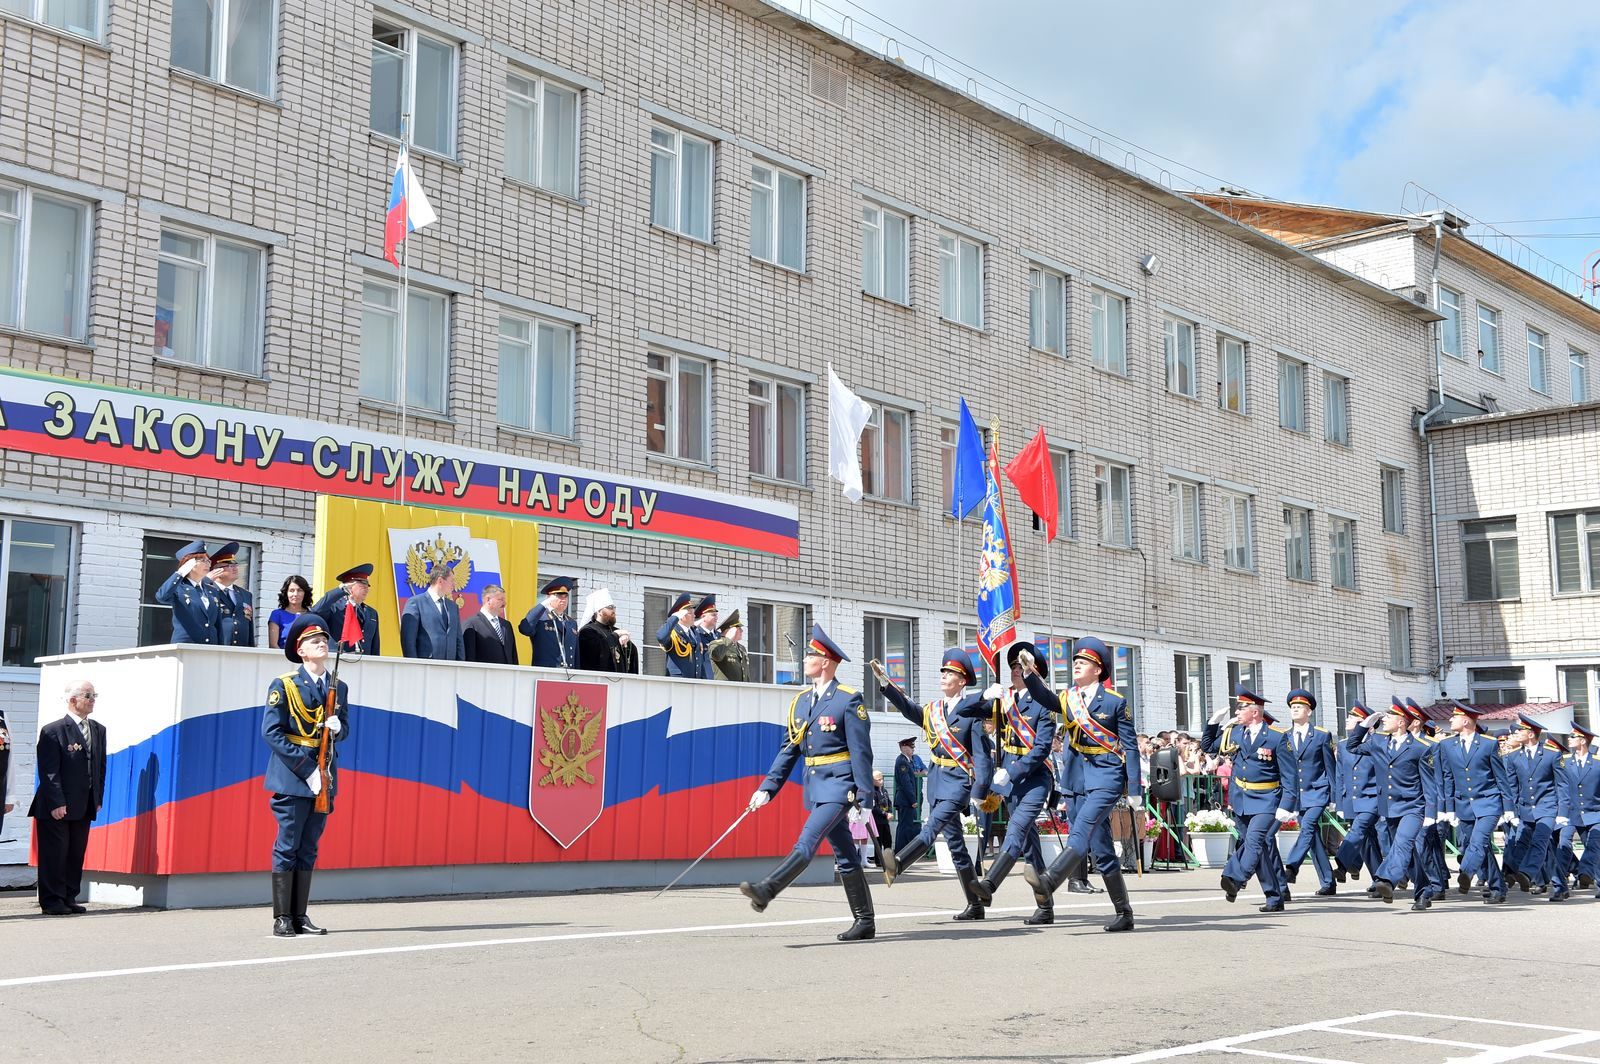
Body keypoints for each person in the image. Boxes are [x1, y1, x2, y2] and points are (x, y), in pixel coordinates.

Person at [739, 624, 878, 942]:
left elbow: (861, 752)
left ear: (826, 661)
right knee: (845, 854)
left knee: (807, 841)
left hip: (840, 787)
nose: (806, 659)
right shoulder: (800, 702)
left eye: (812, 654)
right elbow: (789, 750)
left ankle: (767, 889)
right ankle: (865, 921)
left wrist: (865, 799)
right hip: (816, 788)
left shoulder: (847, 700)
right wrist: (767, 788)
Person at [1023, 637, 1143, 931]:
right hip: (1076, 780)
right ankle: (1124, 913)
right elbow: (1045, 698)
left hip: (1106, 776)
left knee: (1082, 829)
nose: (1076, 664)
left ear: (1098, 669)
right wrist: (1029, 674)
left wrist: (1136, 790)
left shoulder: (1115, 702)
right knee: (1101, 849)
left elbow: (1131, 747)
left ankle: (1050, 880)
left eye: (1084, 661)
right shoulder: (1068, 698)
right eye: (1075, 661)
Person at [874, 648, 991, 917]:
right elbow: (908, 707)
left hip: (958, 782)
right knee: (956, 846)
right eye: (943, 672)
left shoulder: (972, 712)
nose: (943, 676)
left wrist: (980, 789)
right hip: (937, 781)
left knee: (931, 827)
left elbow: (982, 757)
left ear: (962, 681)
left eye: (949, 673)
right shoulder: (933, 710)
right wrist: (885, 683)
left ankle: (899, 863)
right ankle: (975, 904)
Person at [263, 614, 350, 936]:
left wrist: (338, 730)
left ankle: (300, 915)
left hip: (325, 777)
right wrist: (307, 768)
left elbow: (344, 730)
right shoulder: (284, 685)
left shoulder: (337, 686)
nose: (321, 644)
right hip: (293, 776)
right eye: (314, 641)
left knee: (309, 847)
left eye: (324, 640)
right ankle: (282, 917)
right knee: (288, 845)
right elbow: (272, 733)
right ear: (300, 650)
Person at [970, 641, 1059, 925]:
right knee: (1030, 844)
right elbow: (964, 713)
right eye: (1013, 666)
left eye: (1022, 666)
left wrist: (1013, 770)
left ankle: (989, 884)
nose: (1016, 670)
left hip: (1034, 779)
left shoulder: (1045, 703)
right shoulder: (1004, 699)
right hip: (1009, 781)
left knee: (1017, 827)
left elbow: (1042, 748)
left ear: (1035, 670)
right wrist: (984, 695)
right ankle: (1045, 907)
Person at [1194, 685, 1297, 913]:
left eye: (1241, 708)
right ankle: (1274, 896)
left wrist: (1287, 805)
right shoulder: (1235, 733)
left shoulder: (1276, 737)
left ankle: (1235, 877)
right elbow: (1208, 747)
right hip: (1241, 798)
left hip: (1267, 798)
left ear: (1255, 711)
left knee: (1255, 840)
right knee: (1256, 848)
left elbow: (1290, 775)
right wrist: (1213, 723)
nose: (1237, 712)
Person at [1348, 701, 1438, 910]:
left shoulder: (1420, 748)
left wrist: (1432, 812)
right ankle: (1424, 891)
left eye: (1389, 717)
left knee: (1403, 844)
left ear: (1401, 722)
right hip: (1390, 807)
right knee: (1408, 853)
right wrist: (1363, 727)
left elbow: (1429, 782)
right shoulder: (1378, 742)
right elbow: (1352, 746)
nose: (1384, 720)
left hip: (1413, 806)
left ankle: (1386, 879)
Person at [29, 681, 106, 915]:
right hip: (57, 805)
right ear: (73, 700)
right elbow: (49, 771)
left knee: (75, 853)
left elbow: (100, 766)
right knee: (55, 854)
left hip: (84, 803)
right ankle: (52, 901)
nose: (93, 699)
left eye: (95, 695)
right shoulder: (53, 730)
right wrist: (57, 801)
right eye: (88, 695)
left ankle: (69, 896)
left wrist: (97, 797)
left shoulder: (98, 729)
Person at [1435, 700, 1509, 904]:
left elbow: (1500, 777)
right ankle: (1498, 887)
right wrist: (1449, 808)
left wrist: (1508, 808)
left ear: (1466, 721)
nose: (1450, 719)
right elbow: (1448, 777)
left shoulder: (1488, 743)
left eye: (1454, 716)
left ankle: (1466, 873)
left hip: (1488, 802)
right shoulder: (1446, 745)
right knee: (1477, 846)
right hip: (1463, 804)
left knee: (1478, 840)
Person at [1281, 689, 1338, 896]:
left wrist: (1333, 796)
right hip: (1297, 794)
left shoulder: (1322, 735)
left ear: (1309, 711)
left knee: (1308, 828)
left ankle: (1292, 866)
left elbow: (1330, 766)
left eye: (1299, 707)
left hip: (1317, 791)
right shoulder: (1285, 736)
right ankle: (1328, 881)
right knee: (1312, 837)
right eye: (1292, 707)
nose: (1295, 710)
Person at [1503, 713, 1561, 895]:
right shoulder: (1513, 757)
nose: (1517, 733)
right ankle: (1510, 874)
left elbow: (1562, 784)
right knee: (1520, 843)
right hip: (1525, 808)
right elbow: (1512, 786)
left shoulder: (1552, 754)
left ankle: (1526, 874)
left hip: (1547, 806)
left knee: (1540, 841)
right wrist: (1509, 809)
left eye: (1521, 730)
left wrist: (1563, 811)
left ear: (1530, 734)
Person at [1332, 702, 1385, 885]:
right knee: (1367, 841)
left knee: (1358, 830)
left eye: (1352, 717)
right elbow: (1340, 775)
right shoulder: (1343, 744)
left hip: (1372, 798)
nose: (1347, 719)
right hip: (1352, 799)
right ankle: (1379, 881)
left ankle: (1341, 864)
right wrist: (1339, 803)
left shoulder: (1376, 743)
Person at [1557, 723, 1599, 898]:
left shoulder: (1597, 763)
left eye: (1573, 737)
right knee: (1589, 847)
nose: (1569, 739)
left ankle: (1583, 873)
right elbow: (1561, 787)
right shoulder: (1564, 761)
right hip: (1575, 812)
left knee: (1594, 844)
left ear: (1582, 741)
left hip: (1596, 812)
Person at [154, 539, 220, 644]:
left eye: (209, 561)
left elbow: (217, 624)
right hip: (186, 646)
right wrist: (180, 573)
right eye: (203, 560)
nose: (208, 564)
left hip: (210, 648)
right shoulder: (178, 588)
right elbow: (161, 597)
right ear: (189, 563)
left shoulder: (212, 591)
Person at [311, 563, 380, 656]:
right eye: (362, 585)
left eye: (367, 585)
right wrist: (340, 590)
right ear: (349, 586)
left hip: (364, 663)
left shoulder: (371, 613)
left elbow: (375, 646)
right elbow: (316, 611)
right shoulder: (334, 607)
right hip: (338, 660)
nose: (366, 588)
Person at [577, 588, 639, 673]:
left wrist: (627, 642)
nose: (613, 610)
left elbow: (630, 655)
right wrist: (616, 635)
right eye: (610, 607)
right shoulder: (587, 631)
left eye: (614, 607)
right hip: (598, 680)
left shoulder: (615, 630)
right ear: (599, 611)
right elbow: (598, 652)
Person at [521, 576, 578, 668]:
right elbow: (525, 629)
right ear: (549, 597)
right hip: (546, 673)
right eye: (559, 596)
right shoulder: (540, 617)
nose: (563, 600)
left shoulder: (571, 622)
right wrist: (543, 604)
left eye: (566, 596)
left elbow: (575, 654)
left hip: (568, 674)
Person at [208, 542, 255, 647]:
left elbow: (249, 627)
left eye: (235, 565)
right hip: (215, 649)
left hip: (241, 651)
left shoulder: (245, 595)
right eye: (229, 565)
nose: (235, 568)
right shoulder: (208, 591)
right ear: (217, 570)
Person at [463, 583, 518, 665]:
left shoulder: (506, 625)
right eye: (500, 599)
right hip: (484, 675)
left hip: (506, 675)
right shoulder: (472, 624)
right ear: (488, 599)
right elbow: (469, 657)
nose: (504, 603)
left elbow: (513, 655)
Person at [655, 592, 704, 678]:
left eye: (694, 613)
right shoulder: (673, 632)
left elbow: (699, 661)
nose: (694, 615)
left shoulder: (694, 632)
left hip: (694, 682)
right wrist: (674, 617)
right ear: (681, 616)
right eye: (690, 613)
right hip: (678, 681)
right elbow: (661, 637)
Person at [892, 737, 923, 849]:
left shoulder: (906, 761)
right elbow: (906, 783)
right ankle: (900, 851)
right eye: (911, 747)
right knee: (904, 827)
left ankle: (902, 851)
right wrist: (913, 800)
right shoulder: (902, 761)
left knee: (907, 826)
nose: (913, 749)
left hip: (906, 800)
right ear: (904, 747)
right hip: (905, 800)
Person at [269, 575, 313, 650]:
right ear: (286, 593)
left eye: (299, 590)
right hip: (282, 658)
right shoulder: (277, 614)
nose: (295, 594)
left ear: (305, 593)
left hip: (306, 659)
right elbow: (273, 645)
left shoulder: (311, 616)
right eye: (291, 590)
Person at [708, 609, 749, 682]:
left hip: (741, 689)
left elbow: (746, 673)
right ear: (729, 630)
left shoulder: (742, 648)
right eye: (738, 629)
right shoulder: (716, 644)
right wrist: (728, 638)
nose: (742, 631)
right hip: (725, 689)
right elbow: (717, 656)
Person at [868, 770, 894, 869]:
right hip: (877, 820)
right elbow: (874, 808)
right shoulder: (873, 792)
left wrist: (890, 812)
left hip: (885, 820)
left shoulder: (884, 791)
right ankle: (878, 861)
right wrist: (885, 814)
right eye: (878, 780)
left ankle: (889, 859)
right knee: (878, 841)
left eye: (881, 779)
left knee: (888, 840)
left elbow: (889, 802)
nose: (881, 781)